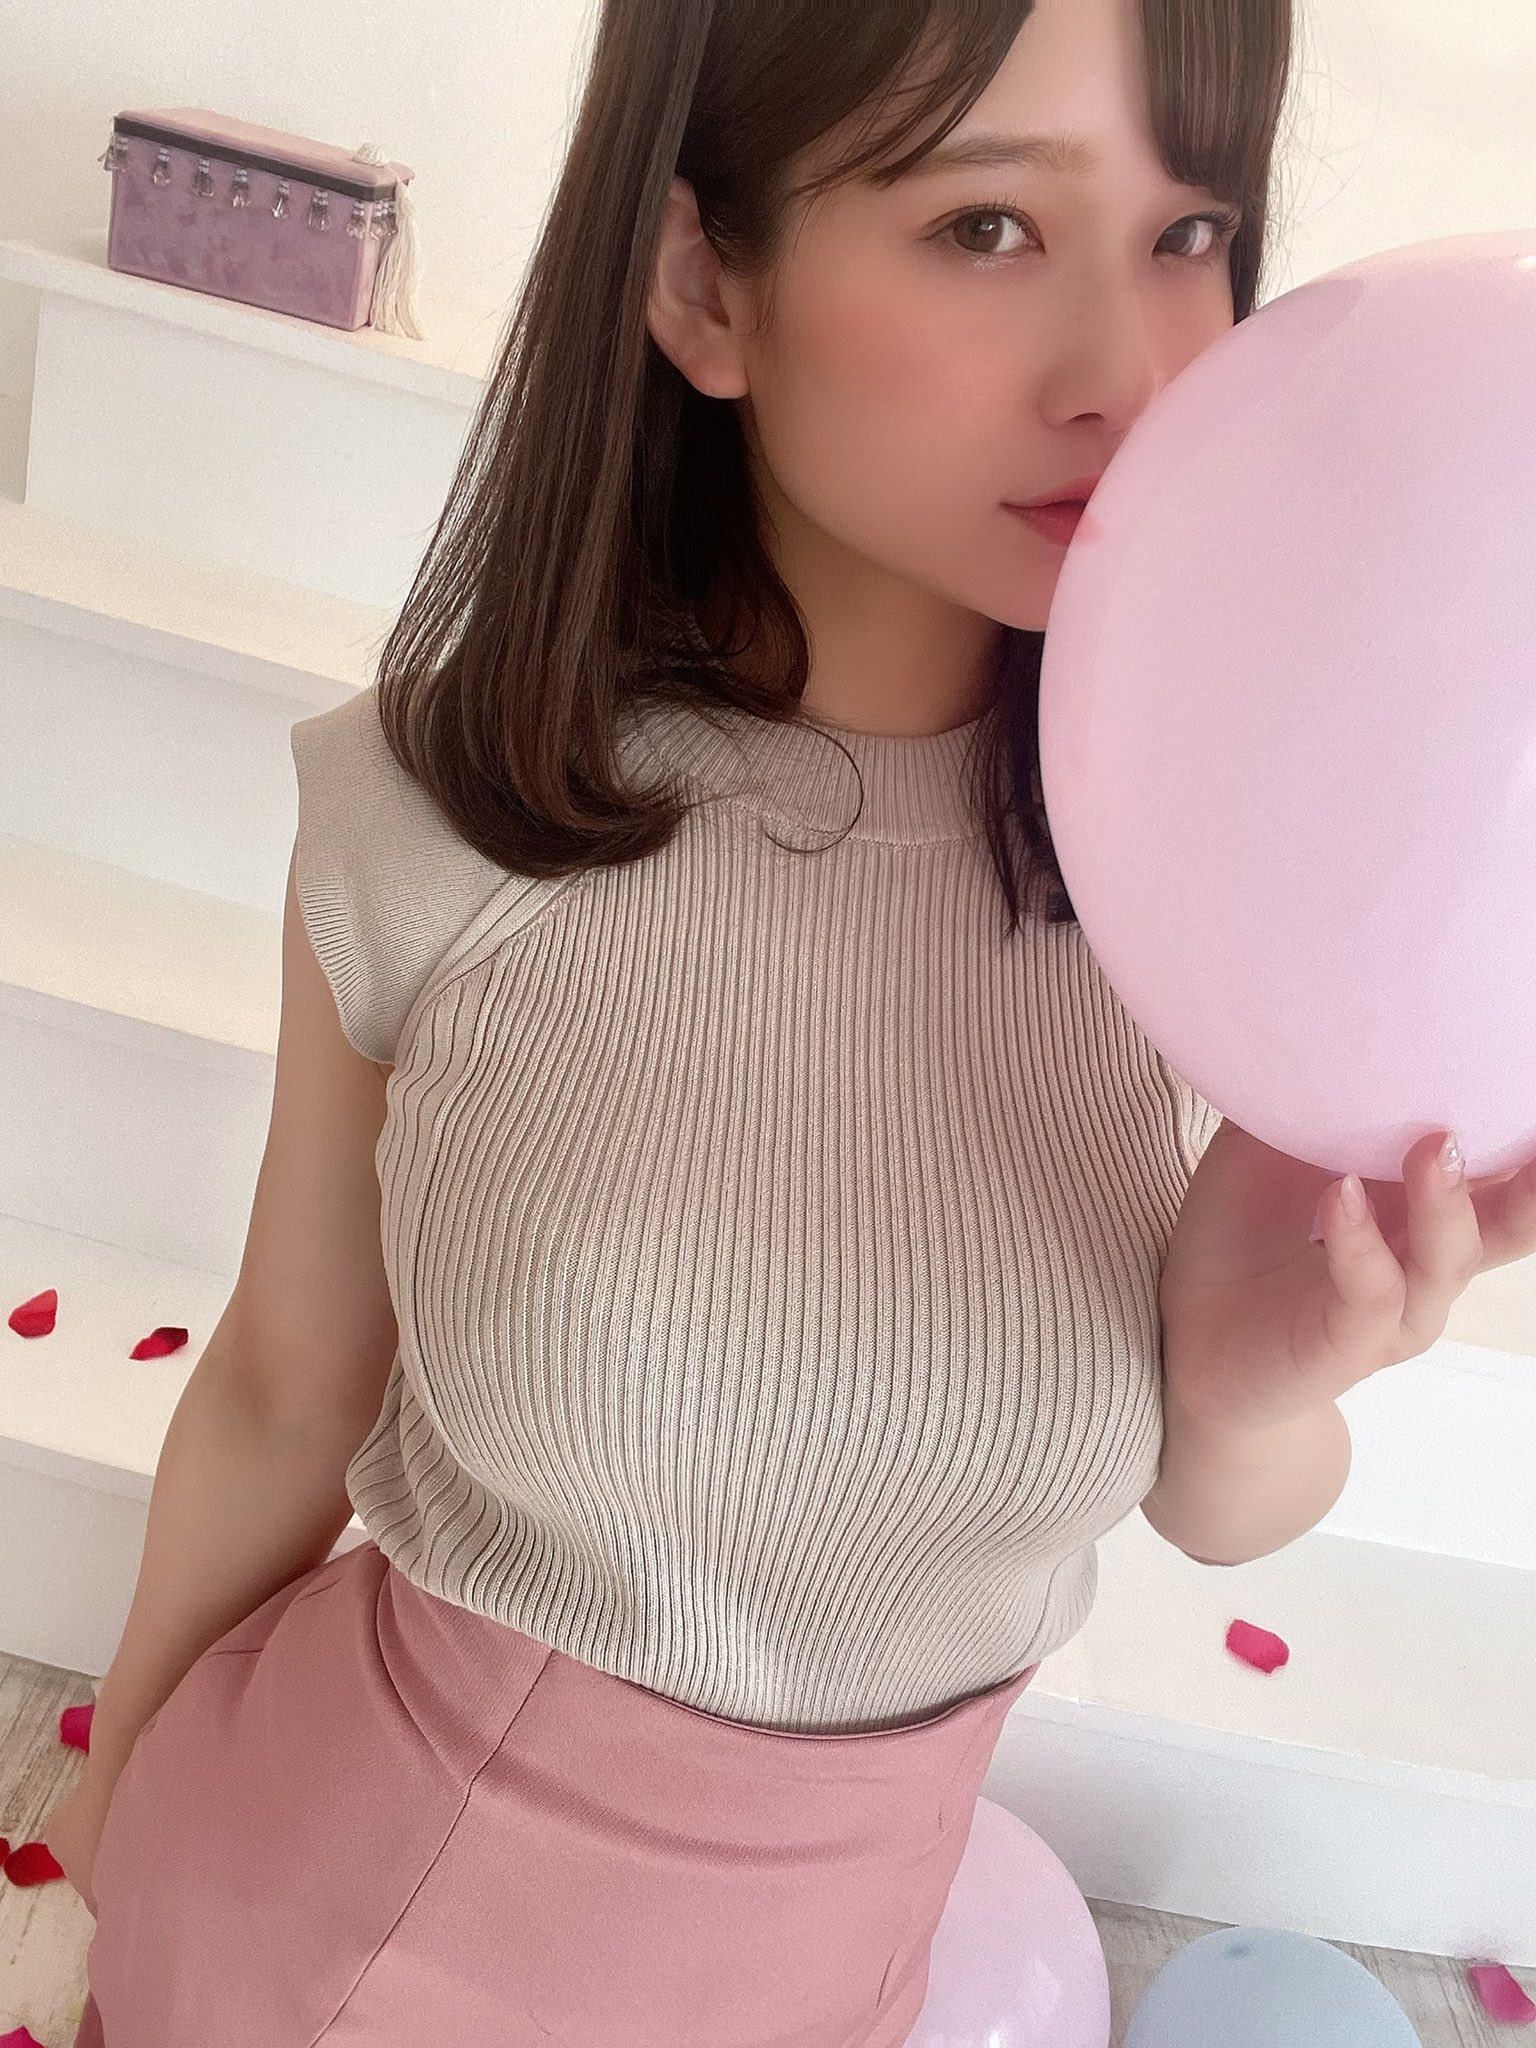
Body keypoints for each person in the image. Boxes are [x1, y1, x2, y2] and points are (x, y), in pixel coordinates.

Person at [58, 0, 1296, 2040]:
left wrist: (1267, 1371)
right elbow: (287, 1384)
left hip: (828, 1976)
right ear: (705, 282)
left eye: (1193, 233)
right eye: (990, 227)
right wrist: (112, 1793)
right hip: (349, 1940)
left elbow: (1223, 1496)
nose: (1135, 371)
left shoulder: (1197, 896)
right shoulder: (437, 814)